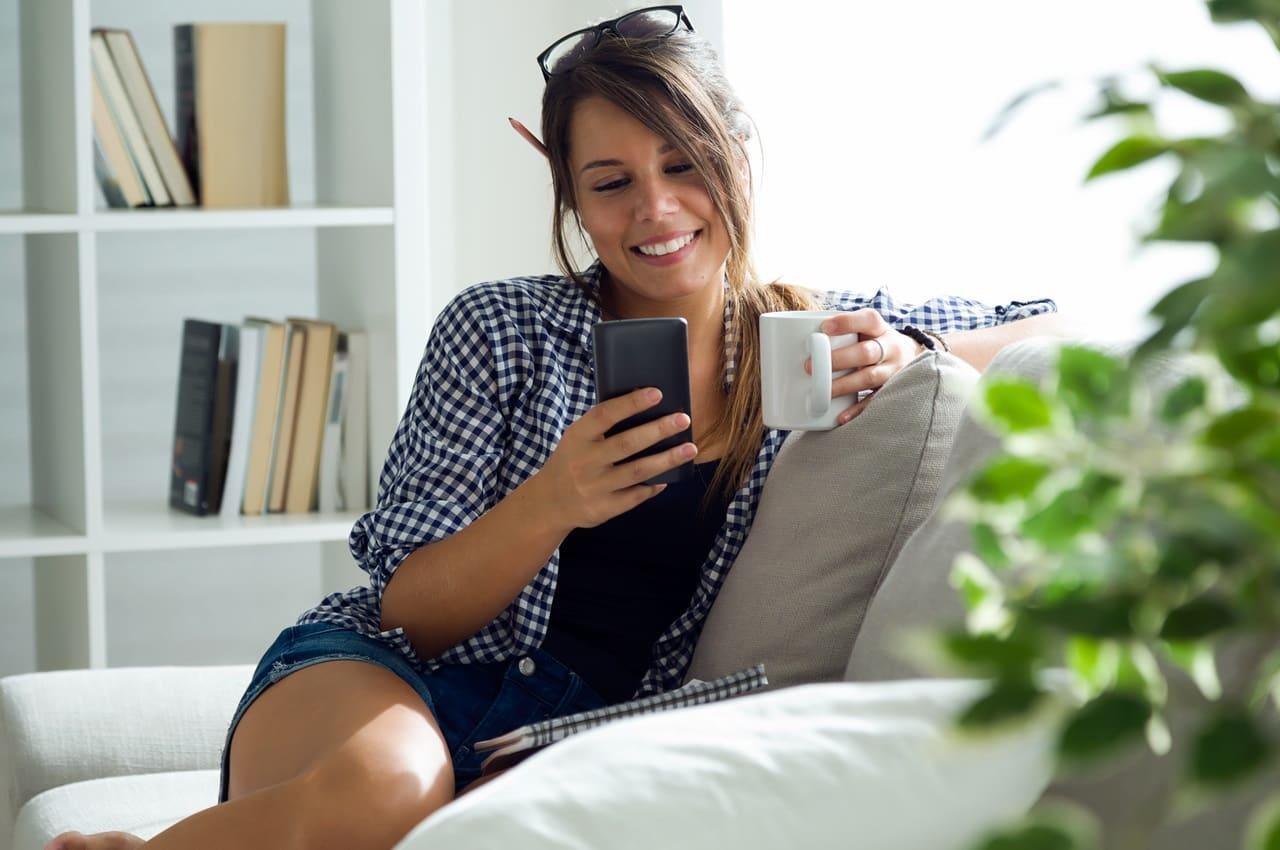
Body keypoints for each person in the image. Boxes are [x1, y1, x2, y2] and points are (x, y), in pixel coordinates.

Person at [44, 7, 1065, 850]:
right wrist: (554, 501)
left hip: (567, 729)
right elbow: (409, 609)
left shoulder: (803, 331)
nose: (655, 209)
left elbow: (1049, 325)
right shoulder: (497, 328)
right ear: (570, 195)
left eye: (683, 164)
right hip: (384, 674)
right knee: (384, 793)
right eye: (610, 182)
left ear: (736, 155)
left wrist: (907, 344)